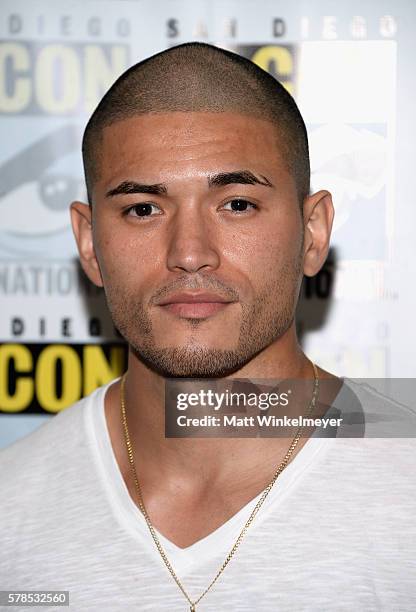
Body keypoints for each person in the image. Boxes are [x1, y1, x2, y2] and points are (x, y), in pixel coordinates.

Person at [0, 42, 415, 611]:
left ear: (313, 233)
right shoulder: (10, 506)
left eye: (237, 204)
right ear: (90, 243)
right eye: (143, 209)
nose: (190, 254)